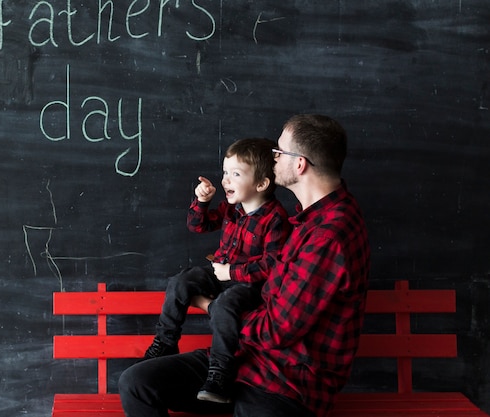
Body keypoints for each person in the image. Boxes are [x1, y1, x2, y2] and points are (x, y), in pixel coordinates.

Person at [119, 114, 371, 417]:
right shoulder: (308, 219)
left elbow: (278, 330)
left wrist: (212, 308)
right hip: (243, 359)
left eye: (279, 152)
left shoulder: (329, 235)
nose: (273, 158)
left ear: (300, 164)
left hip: (285, 383)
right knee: (137, 383)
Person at [142, 137, 291, 403]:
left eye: (235, 174)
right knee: (181, 281)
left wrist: (232, 272)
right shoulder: (231, 209)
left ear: (261, 184)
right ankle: (166, 341)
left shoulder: (275, 218)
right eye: (225, 172)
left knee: (224, 306)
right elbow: (198, 225)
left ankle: (219, 373)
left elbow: (273, 265)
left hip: (249, 285)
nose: (226, 181)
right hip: (220, 274)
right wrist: (202, 202)